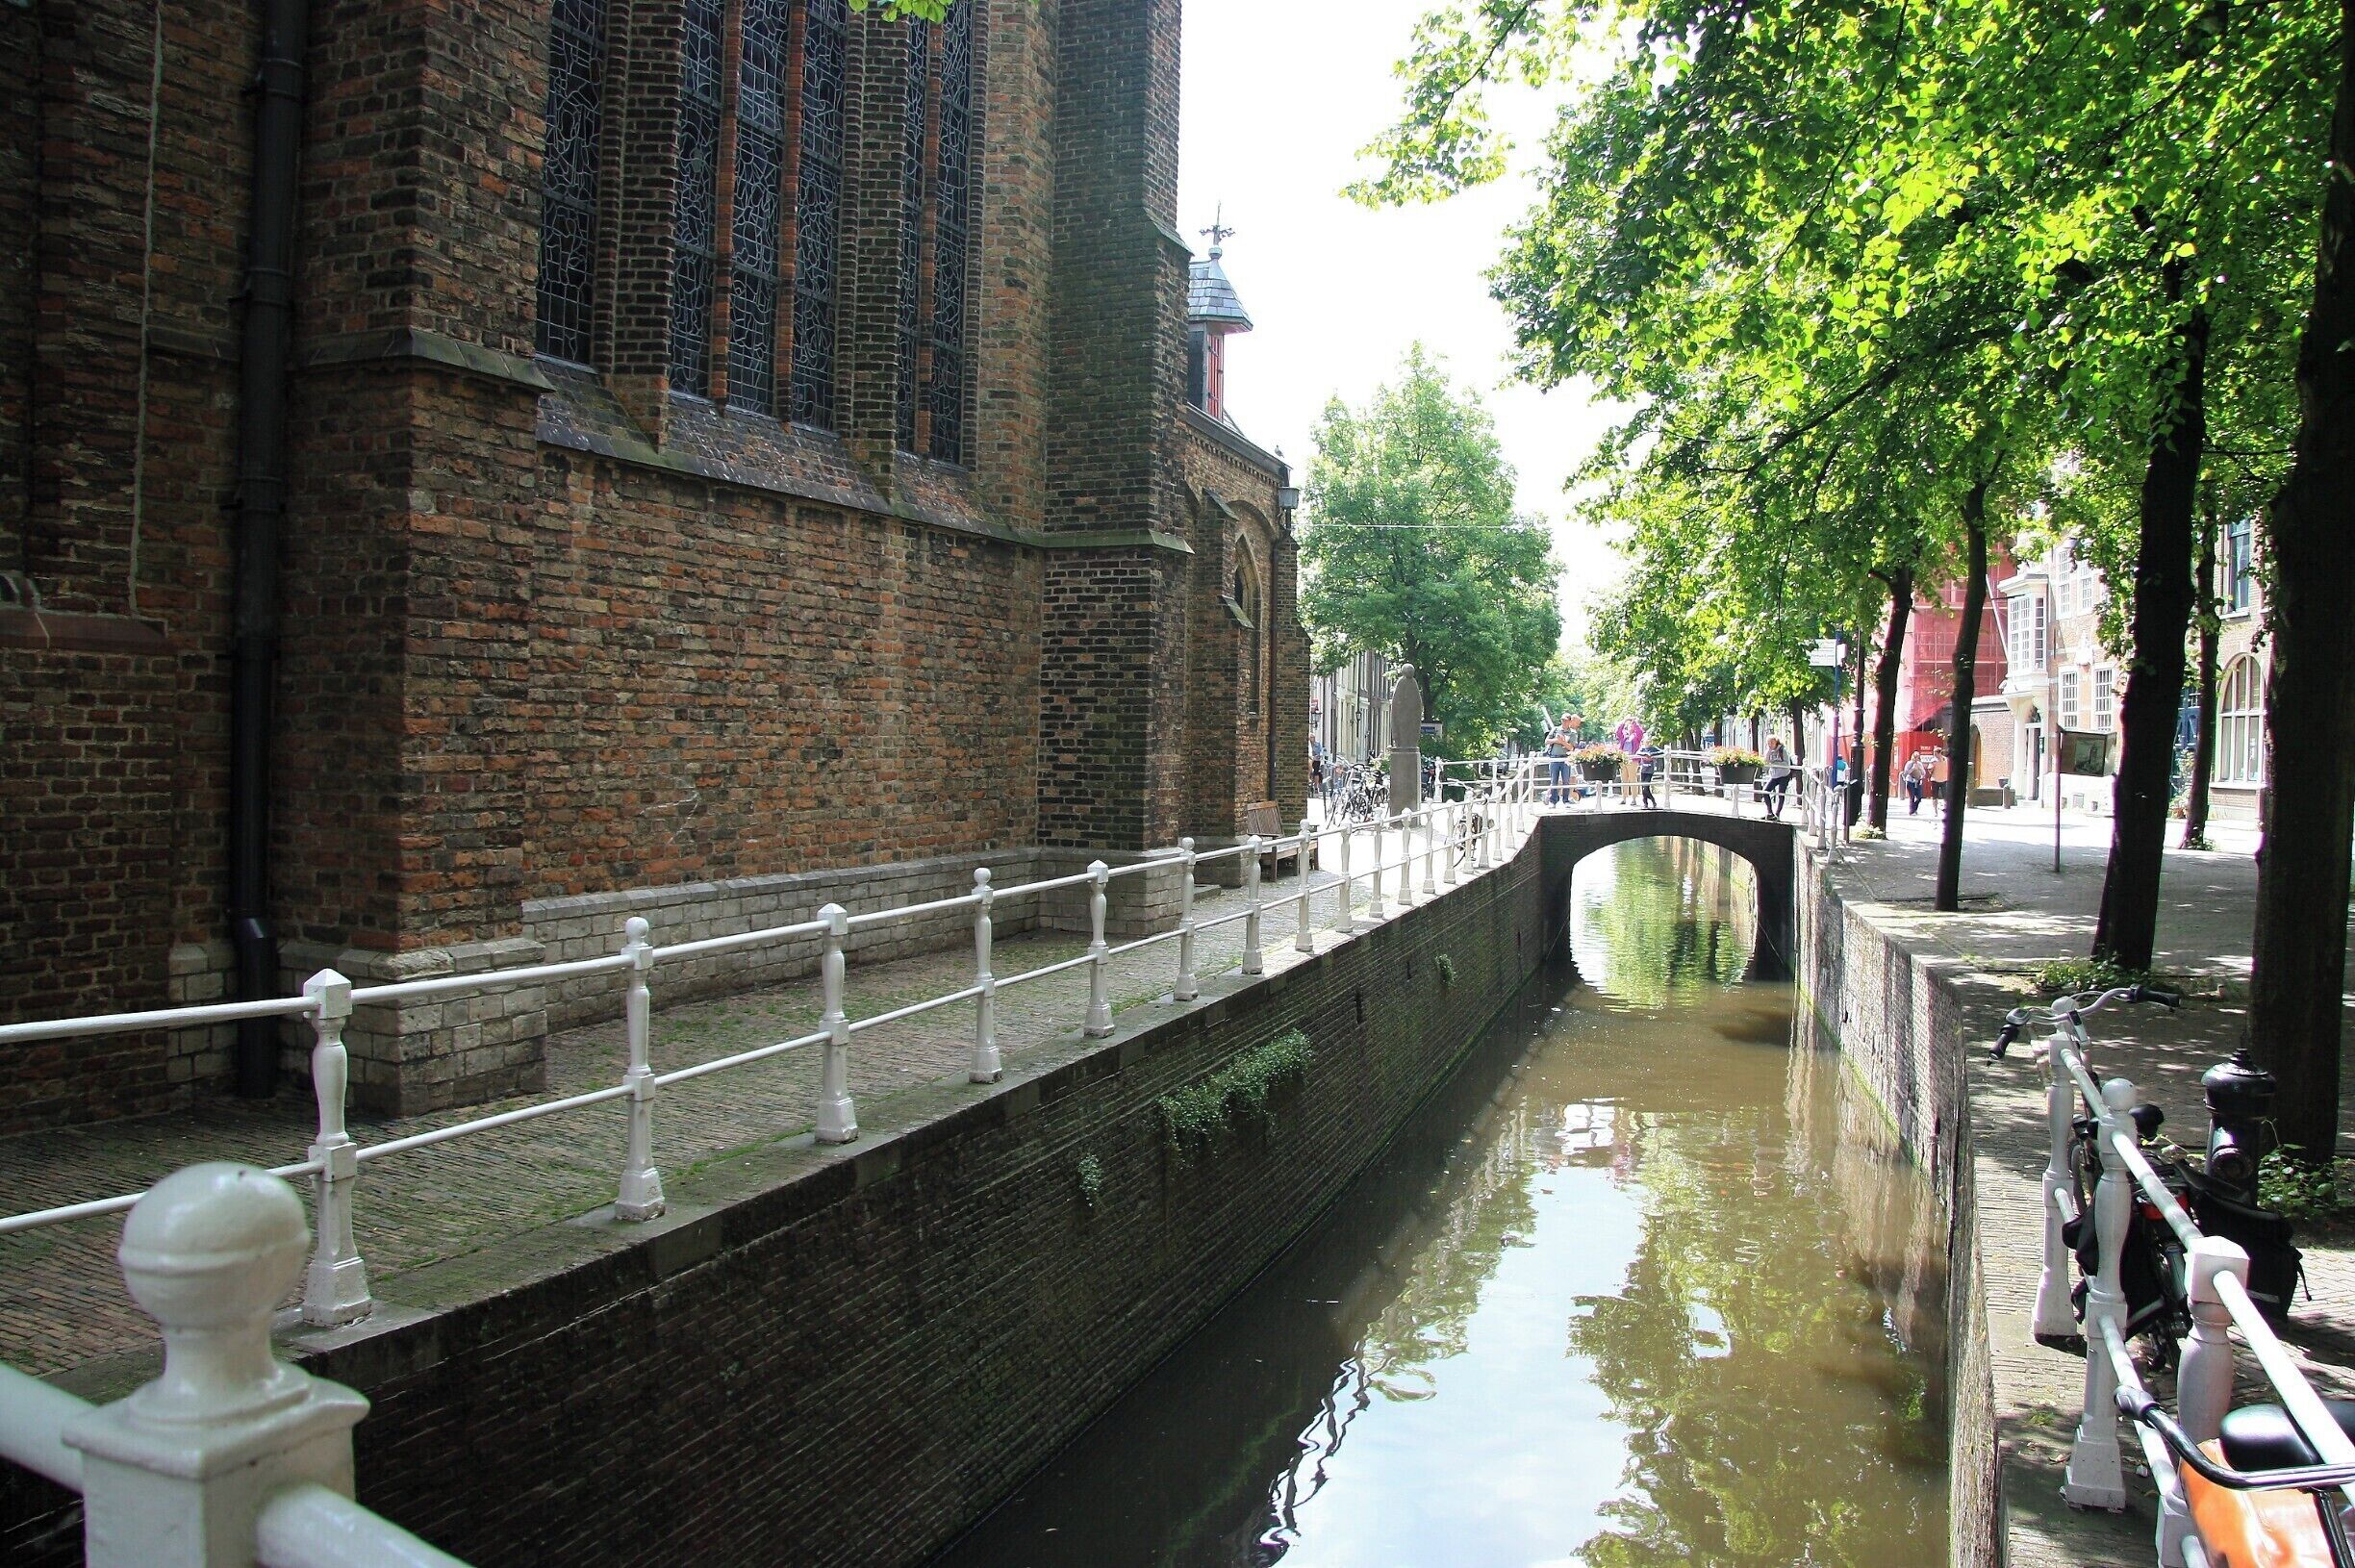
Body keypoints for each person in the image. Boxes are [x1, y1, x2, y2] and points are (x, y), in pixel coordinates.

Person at [1544, 715, 1575, 805]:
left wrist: (1563, 742)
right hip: (1554, 757)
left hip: (1565, 758)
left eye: (1566, 721)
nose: (1564, 722)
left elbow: (1571, 748)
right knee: (1554, 780)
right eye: (1562, 720)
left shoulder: (1572, 733)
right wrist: (1556, 740)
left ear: (1569, 721)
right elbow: (1546, 741)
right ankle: (1553, 801)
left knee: (1566, 780)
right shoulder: (1555, 730)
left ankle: (1566, 800)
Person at [1761, 736, 1794, 820]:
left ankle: (1777, 814)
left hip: (1784, 774)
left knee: (1780, 793)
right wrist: (1768, 753)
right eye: (1768, 743)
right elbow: (1766, 762)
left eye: (1772, 743)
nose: (1770, 745)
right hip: (1774, 775)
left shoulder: (1783, 750)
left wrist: (1775, 763)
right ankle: (1770, 812)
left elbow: (1786, 764)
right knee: (1765, 791)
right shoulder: (1768, 751)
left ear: (1776, 742)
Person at [1636, 740, 1665, 808]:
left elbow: (1662, 751)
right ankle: (1646, 803)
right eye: (1646, 742)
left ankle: (1652, 800)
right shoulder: (1642, 749)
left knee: (1645, 788)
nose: (1647, 743)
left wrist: (1652, 755)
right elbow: (1637, 752)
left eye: (1649, 742)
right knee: (1644, 788)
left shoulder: (1653, 748)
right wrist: (1645, 755)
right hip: (1643, 771)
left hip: (1650, 771)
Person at [1901, 750, 1929, 815]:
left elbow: (1923, 773)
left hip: (1918, 781)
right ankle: (1911, 810)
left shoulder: (1920, 764)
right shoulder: (1909, 763)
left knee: (1919, 797)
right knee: (1912, 796)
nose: (1916, 758)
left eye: (1918, 757)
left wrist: (1920, 769)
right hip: (1910, 781)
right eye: (1915, 757)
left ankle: (1914, 808)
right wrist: (1913, 768)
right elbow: (1906, 773)